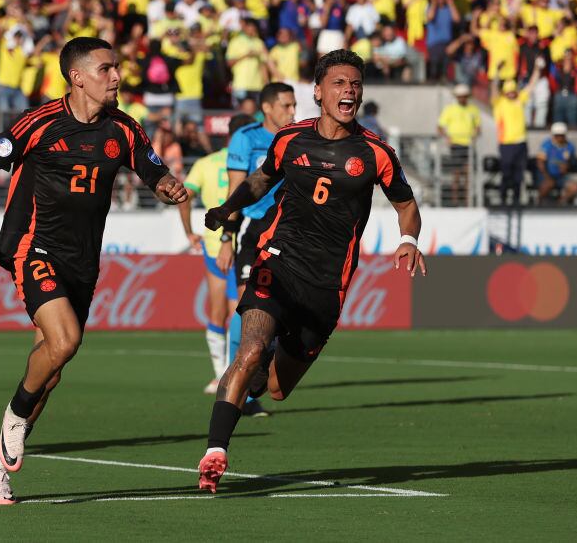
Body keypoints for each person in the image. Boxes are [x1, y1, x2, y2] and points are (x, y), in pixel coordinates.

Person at [0, 37, 187, 505]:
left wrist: (168, 186)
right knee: (65, 342)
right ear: (77, 77)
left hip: (84, 261)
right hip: (31, 247)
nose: (117, 77)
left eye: (117, 67)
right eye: (106, 69)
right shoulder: (38, 123)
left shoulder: (125, 128)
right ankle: (13, 423)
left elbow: (153, 172)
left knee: (53, 366)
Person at [197, 50, 426, 493]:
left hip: (326, 285)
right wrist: (228, 209)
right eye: (339, 83)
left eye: (355, 84)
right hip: (277, 260)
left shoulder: (376, 152)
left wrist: (409, 239)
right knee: (249, 349)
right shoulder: (289, 139)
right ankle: (214, 452)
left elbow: (406, 205)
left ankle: (253, 379)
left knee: (275, 386)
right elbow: (262, 180)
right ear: (318, 92)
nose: (349, 91)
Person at [222, 82, 297, 417]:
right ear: (268, 108)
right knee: (246, 309)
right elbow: (238, 188)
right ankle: (238, 394)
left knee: (283, 317)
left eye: (295, 105)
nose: (292, 112)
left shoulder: (298, 138)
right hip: (253, 233)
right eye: (286, 106)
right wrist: (227, 236)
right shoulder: (247, 138)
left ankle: (256, 375)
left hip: (289, 234)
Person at [179, 114, 254, 394]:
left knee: (219, 311)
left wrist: (188, 231)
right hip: (243, 243)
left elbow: (184, 196)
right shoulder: (252, 159)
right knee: (242, 311)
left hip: (215, 246)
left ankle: (220, 375)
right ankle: (234, 376)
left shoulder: (205, 164)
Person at [437, 84, 481, 206]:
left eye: (464, 96)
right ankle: (455, 201)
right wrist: (447, 137)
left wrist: (475, 135)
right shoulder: (450, 109)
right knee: (456, 174)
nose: (462, 99)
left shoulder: (473, 109)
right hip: (455, 145)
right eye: (460, 96)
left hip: (469, 146)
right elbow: (440, 127)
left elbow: (477, 127)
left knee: (467, 174)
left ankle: (467, 201)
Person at [491, 79, 531, 206]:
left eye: (513, 92)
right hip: (506, 143)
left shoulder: (519, 101)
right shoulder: (500, 104)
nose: (511, 94)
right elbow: (494, 91)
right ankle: (503, 197)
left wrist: (537, 70)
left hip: (521, 142)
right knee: (506, 172)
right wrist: (496, 76)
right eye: (508, 92)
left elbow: (531, 87)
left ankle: (516, 198)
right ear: (504, 93)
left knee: (519, 173)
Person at [535, 122, 577, 205]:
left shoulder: (570, 146)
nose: (559, 138)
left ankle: (560, 203)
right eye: (557, 135)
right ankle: (539, 201)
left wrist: (567, 167)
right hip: (546, 175)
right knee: (549, 184)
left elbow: (571, 162)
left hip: (561, 176)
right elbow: (540, 162)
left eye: (561, 135)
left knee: (574, 187)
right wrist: (547, 176)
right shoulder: (546, 145)